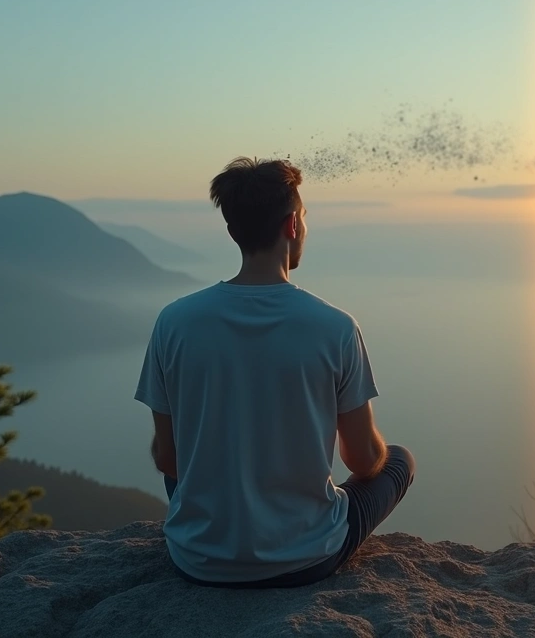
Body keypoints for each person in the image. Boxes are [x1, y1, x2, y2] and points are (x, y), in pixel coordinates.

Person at [134, 156, 415, 588]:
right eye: (303, 215)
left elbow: (168, 459)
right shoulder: (335, 327)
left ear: (233, 231)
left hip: (198, 560)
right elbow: (362, 460)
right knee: (398, 461)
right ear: (292, 226)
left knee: (194, 476)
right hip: (306, 559)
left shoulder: (174, 322)